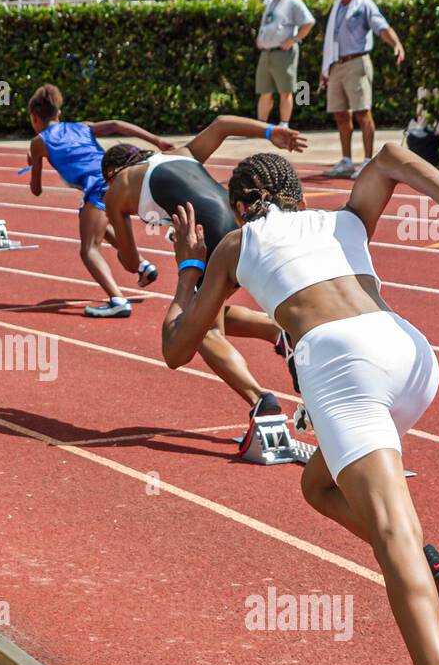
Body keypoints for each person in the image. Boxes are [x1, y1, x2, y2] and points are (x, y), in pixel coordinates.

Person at [159, 142, 439, 665]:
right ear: (296, 192)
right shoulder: (345, 220)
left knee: (391, 534)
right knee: (317, 485)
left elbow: (179, 346)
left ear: (240, 204)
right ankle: (427, 564)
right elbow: (389, 156)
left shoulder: (235, 243)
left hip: (344, 367)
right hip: (410, 354)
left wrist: (188, 266)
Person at [100, 115, 307, 431]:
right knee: (211, 309)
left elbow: (130, 261)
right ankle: (276, 331)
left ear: (113, 172)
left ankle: (259, 399)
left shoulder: (117, 189)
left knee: (200, 330)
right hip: (243, 228)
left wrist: (122, 249)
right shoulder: (181, 153)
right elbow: (222, 124)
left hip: (213, 242)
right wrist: (270, 131)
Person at [26, 84, 173, 318]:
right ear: (59, 113)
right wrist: (157, 140)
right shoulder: (82, 127)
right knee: (96, 225)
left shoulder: (38, 143)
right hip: (121, 179)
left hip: (98, 187)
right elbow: (115, 124)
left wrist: (33, 160)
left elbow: (36, 190)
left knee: (88, 250)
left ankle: (117, 299)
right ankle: (143, 266)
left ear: (34, 118)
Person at [319, 0, 405, 179]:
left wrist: (396, 44)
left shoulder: (365, 5)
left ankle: (367, 161)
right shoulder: (337, 6)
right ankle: (347, 160)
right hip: (336, 65)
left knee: (362, 112)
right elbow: (331, 41)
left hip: (357, 62)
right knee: (340, 114)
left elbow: (381, 27)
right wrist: (326, 68)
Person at [255, 0, 315, 131]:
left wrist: (294, 39)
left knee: (285, 90)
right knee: (264, 91)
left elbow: (308, 22)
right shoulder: (269, 1)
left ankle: (284, 124)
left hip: (284, 53)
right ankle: (261, 125)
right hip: (267, 52)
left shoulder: (293, 1)